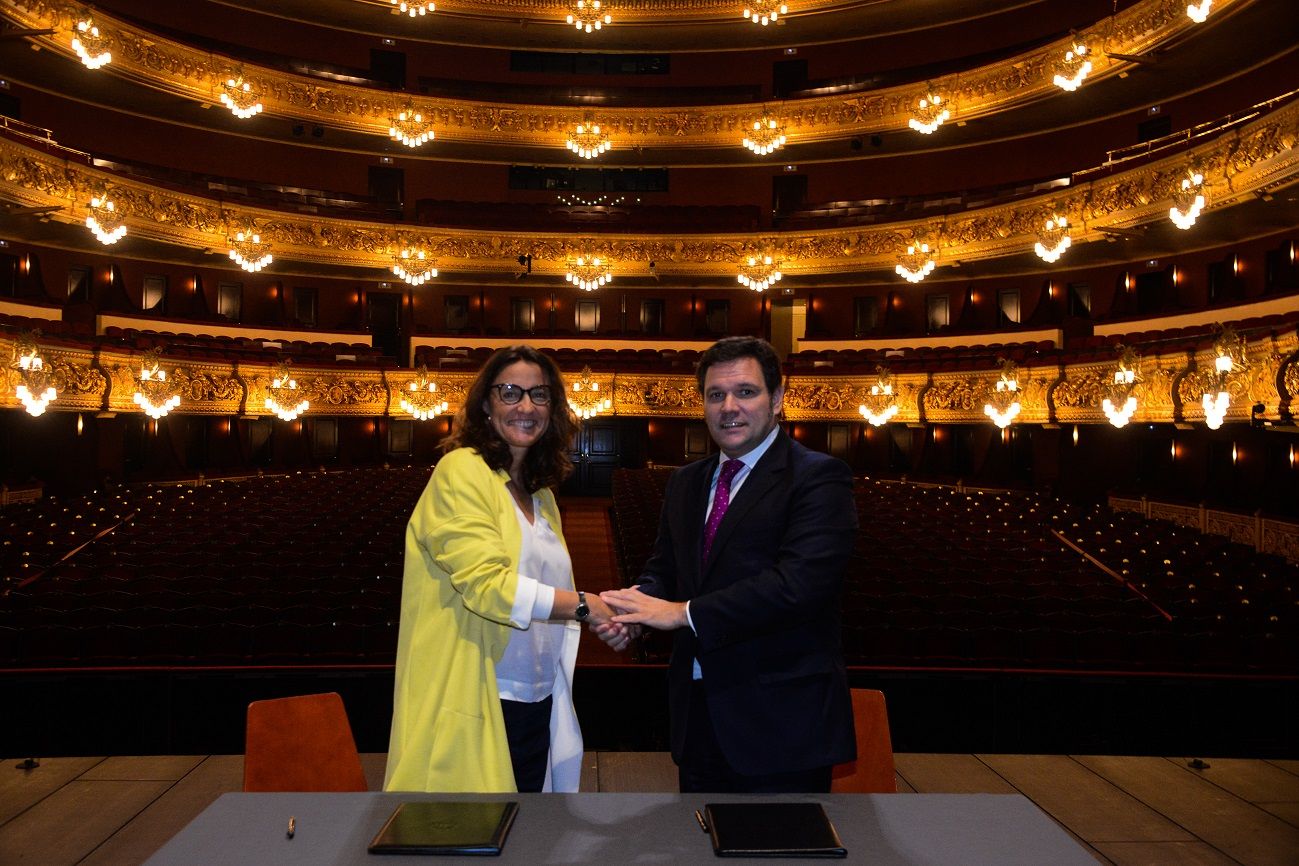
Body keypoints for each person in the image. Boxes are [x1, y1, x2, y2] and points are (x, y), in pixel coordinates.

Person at [601, 336, 857, 793]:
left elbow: (797, 586)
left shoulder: (819, 477)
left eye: (745, 391)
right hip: (698, 713)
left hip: (782, 724)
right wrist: (635, 610)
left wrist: (682, 614)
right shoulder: (686, 482)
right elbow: (665, 569)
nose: (728, 406)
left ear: (777, 399)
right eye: (715, 395)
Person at [385, 345, 629, 794]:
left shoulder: (541, 495)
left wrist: (602, 615)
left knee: (527, 837)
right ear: (485, 403)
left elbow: (552, 592)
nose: (526, 407)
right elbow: (487, 587)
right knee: (471, 840)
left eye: (539, 395)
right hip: (477, 694)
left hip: (536, 695)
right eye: (510, 392)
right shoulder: (461, 470)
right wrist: (583, 607)